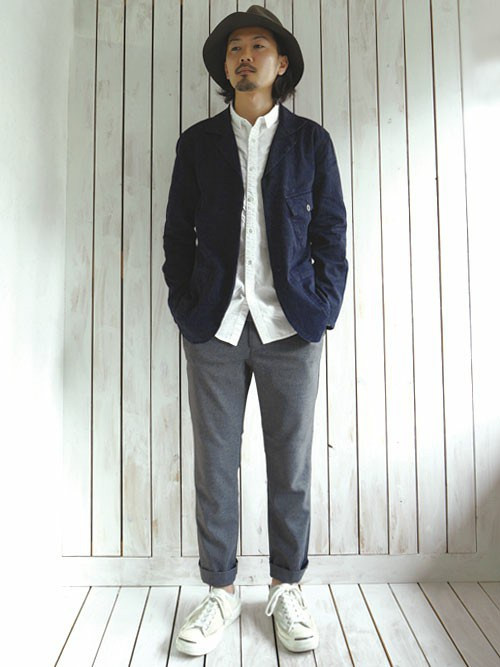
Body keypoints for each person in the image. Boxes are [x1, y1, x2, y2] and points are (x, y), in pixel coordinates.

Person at [162, 5, 348, 656]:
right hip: (214, 326)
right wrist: (185, 305)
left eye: (258, 45)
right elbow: (176, 235)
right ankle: (219, 590)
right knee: (216, 466)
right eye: (235, 48)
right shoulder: (197, 143)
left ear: (281, 62)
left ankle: (285, 587)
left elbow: (330, 233)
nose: (245, 55)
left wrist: (322, 307)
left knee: (290, 468)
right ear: (225, 67)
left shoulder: (311, 142)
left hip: (290, 327)